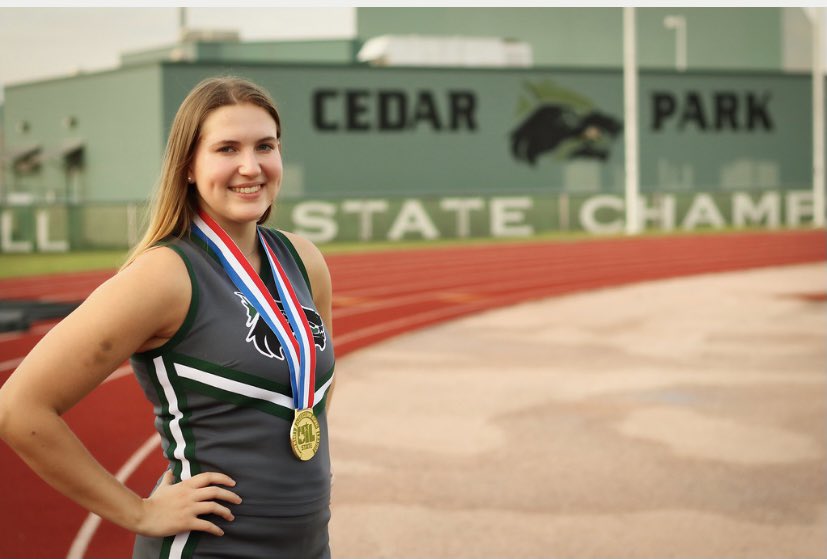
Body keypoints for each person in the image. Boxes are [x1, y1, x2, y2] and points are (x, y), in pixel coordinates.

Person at [0, 75, 336, 558]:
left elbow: (315, 387)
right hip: (211, 548)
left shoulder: (304, 260)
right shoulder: (164, 275)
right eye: (226, 149)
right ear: (189, 167)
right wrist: (139, 512)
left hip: (307, 544)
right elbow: (20, 408)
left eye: (265, 145)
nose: (250, 166)